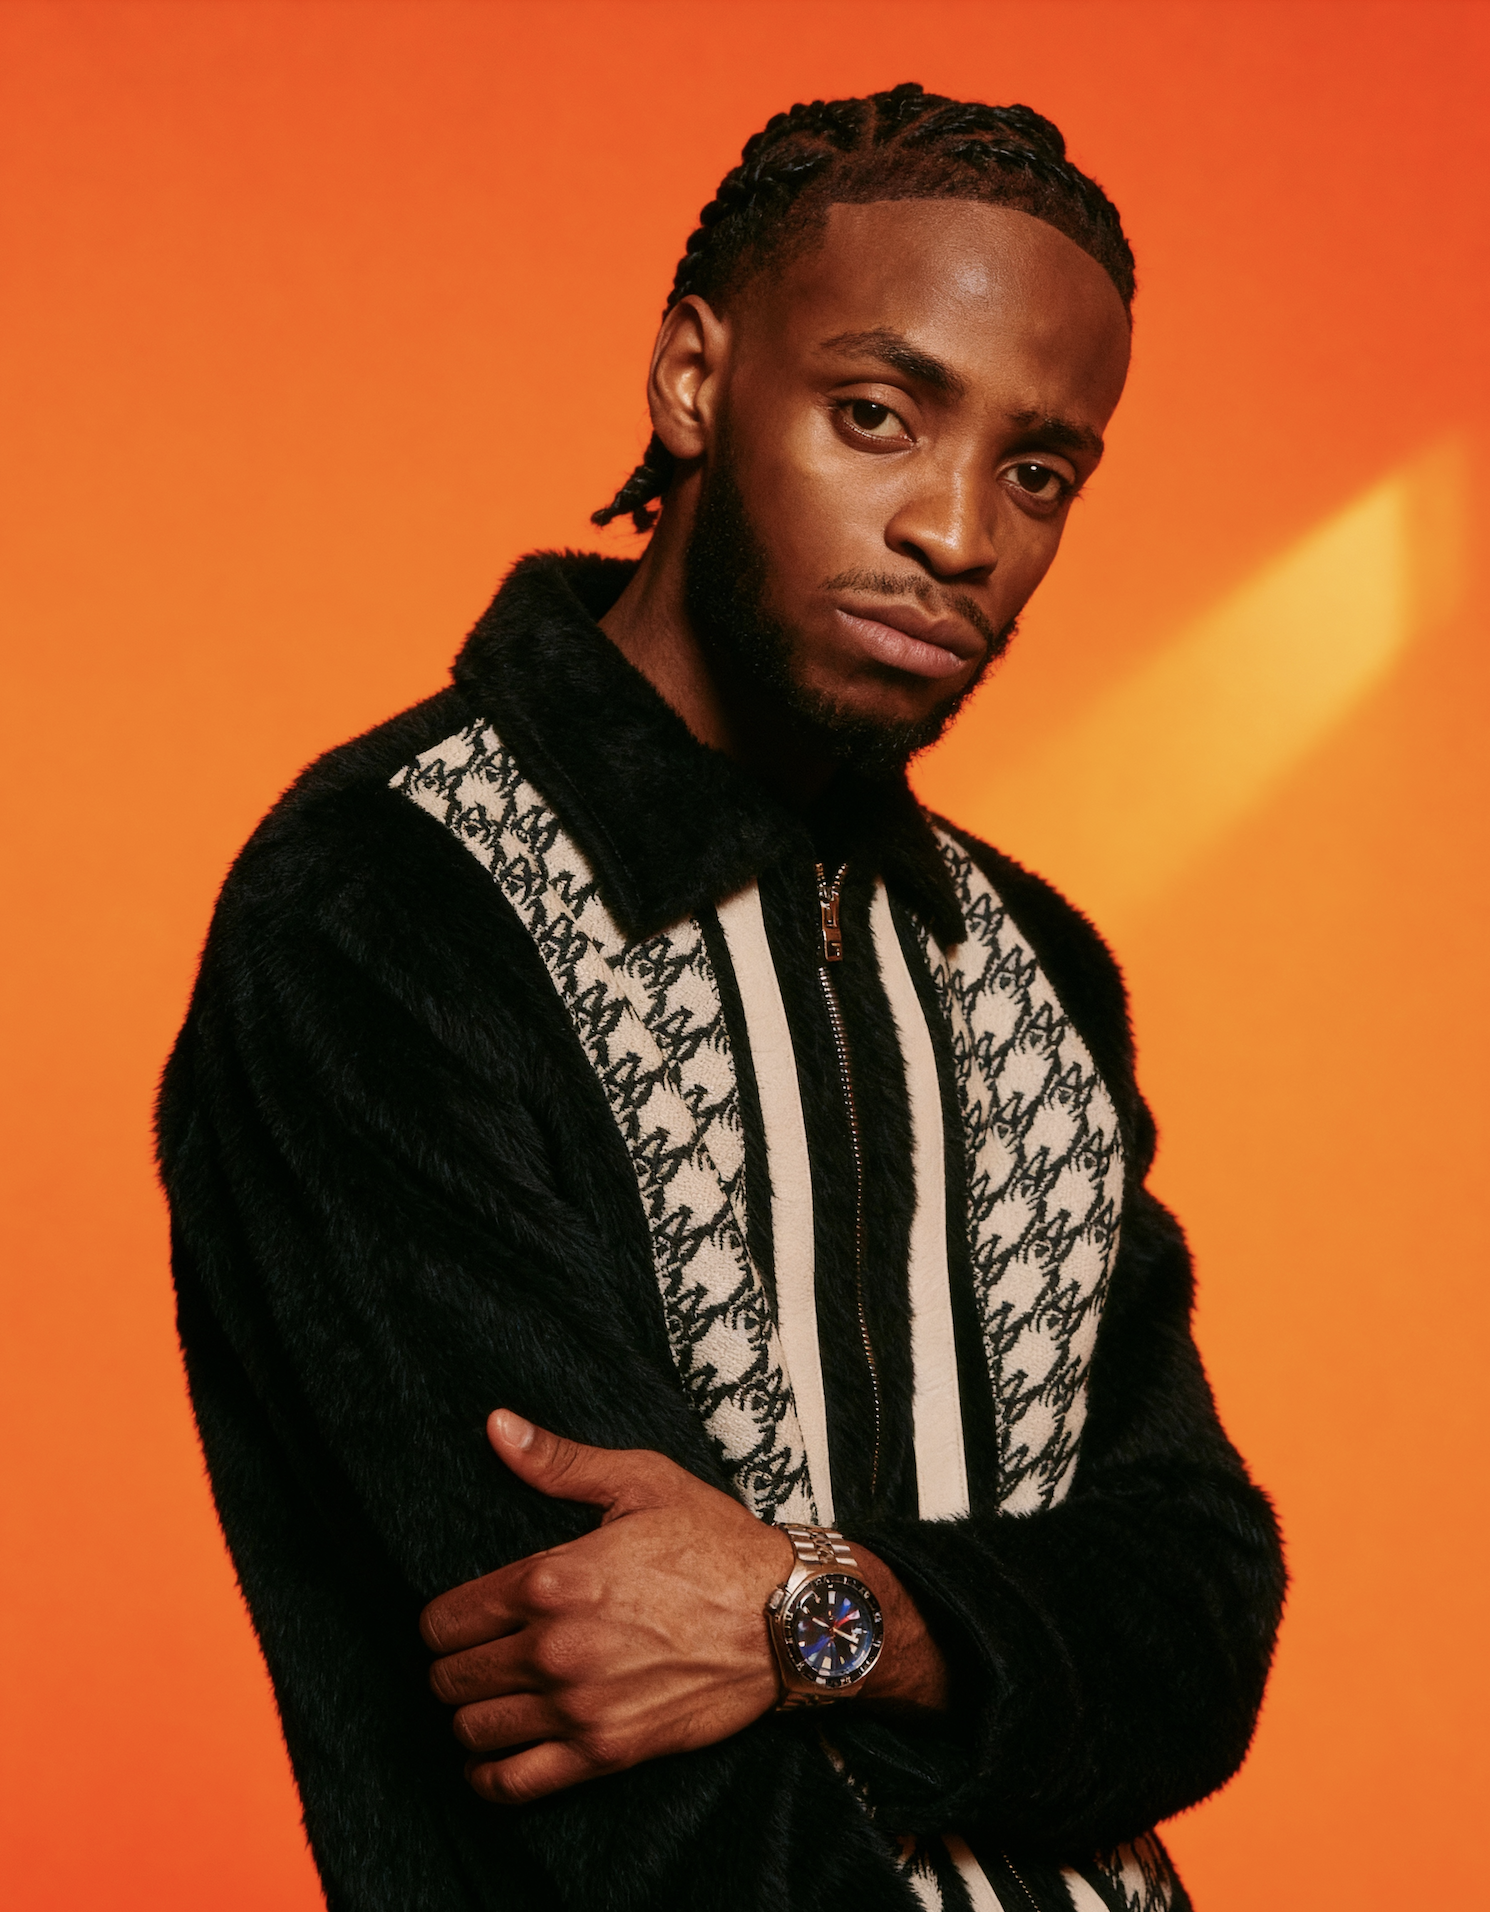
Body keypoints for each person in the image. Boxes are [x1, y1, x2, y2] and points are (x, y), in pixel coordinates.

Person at [157, 83, 1285, 1912]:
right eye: (876, 414)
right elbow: (602, 1746)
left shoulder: (1024, 966)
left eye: (1037, 471)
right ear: (694, 378)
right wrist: (972, 1648)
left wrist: (810, 1616)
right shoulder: (391, 912)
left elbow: (1197, 1625)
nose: (957, 533)